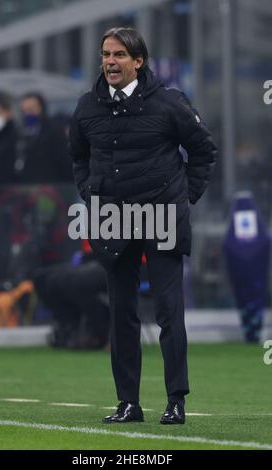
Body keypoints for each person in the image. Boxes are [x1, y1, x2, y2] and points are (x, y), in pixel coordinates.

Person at [69, 27, 217, 425]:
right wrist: (90, 192)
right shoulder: (87, 107)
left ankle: (175, 400)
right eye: (105, 54)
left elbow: (203, 150)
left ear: (139, 61)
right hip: (113, 218)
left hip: (163, 215)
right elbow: (78, 157)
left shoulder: (169, 103)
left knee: (170, 311)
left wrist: (186, 197)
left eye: (119, 54)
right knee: (122, 314)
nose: (110, 62)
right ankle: (128, 404)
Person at [16, 92, 71, 184]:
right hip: (27, 186)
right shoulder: (21, 131)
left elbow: (64, 159)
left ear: (41, 108)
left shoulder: (53, 130)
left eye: (32, 108)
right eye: (25, 110)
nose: (29, 113)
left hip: (50, 185)